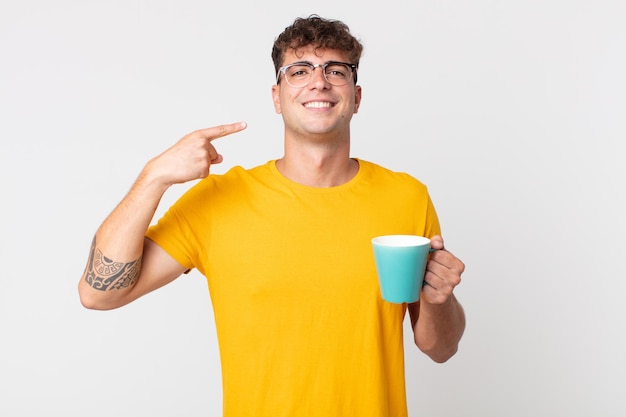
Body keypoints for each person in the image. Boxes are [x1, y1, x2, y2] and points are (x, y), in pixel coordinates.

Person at [78, 14, 466, 417]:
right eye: (299, 71)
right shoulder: (219, 201)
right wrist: (153, 177)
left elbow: (441, 348)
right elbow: (99, 294)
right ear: (277, 97)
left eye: (336, 70)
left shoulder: (406, 197)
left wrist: (441, 299)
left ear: (357, 95)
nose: (319, 81)